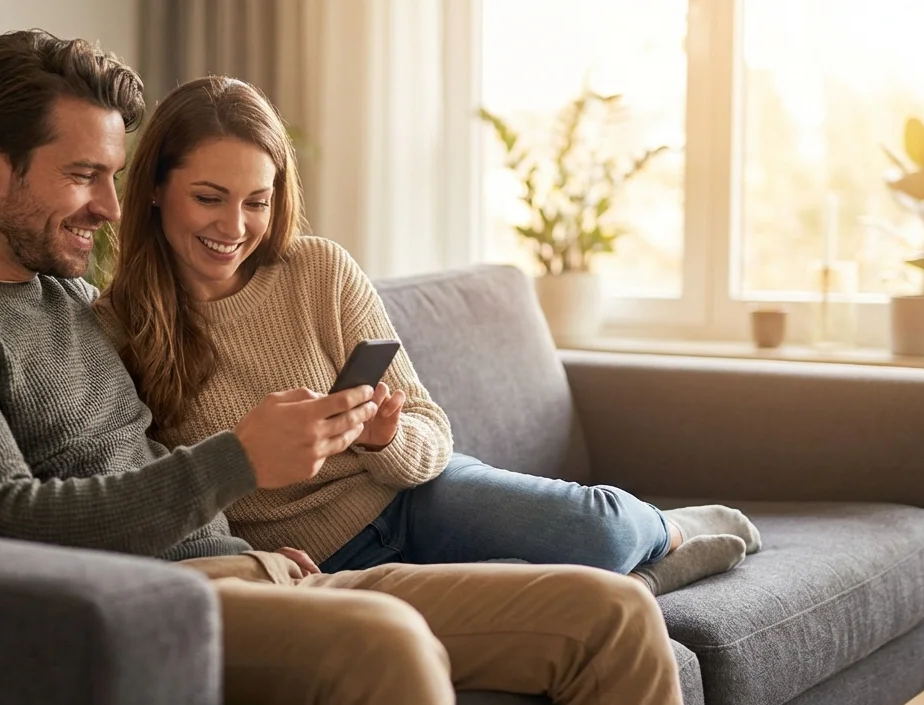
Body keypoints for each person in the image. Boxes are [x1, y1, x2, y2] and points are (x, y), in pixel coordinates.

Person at [0, 30, 698, 705]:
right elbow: (4, 526)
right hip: (139, 610)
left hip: (262, 575)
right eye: (84, 175)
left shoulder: (64, 297)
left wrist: (254, 547)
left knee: (610, 612)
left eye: (113, 177)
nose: (110, 209)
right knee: (387, 644)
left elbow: (139, 454)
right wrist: (239, 461)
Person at [95, 75, 760, 596]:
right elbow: (152, 501)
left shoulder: (317, 270)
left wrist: (384, 438)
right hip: (318, 562)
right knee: (562, 592)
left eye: (257, 202)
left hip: (415, 499)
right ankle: (644, 573)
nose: (235, 226)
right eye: (208, 198)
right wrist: (248, 558)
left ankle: (671, 532)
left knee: (600, 532)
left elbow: (431, 431)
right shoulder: (115, 329)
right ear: (154, 190)